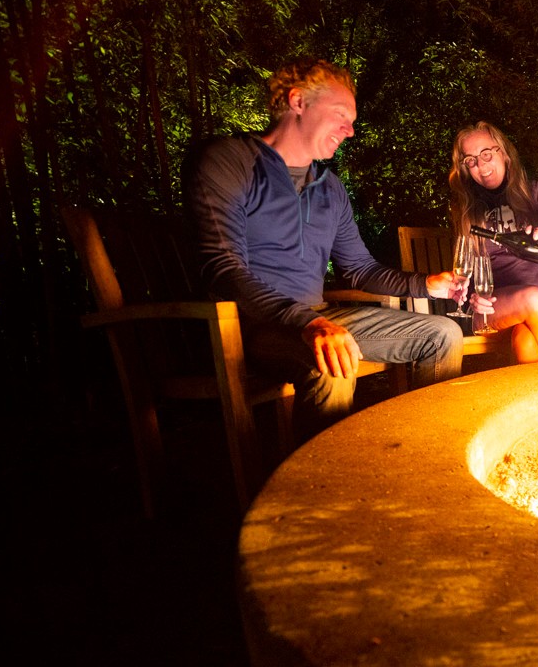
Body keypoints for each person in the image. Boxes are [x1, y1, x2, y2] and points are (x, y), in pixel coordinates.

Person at [186, 56, 468, 433]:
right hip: (249, 325)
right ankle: (319, 488)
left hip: (318, 317)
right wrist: (308, 321)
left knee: (442, 334)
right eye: (341, 115)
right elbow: (223, 268)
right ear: (298, 101)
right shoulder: (230, 162)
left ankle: (430, 450)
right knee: (332, 363)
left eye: (352, 121)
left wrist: (425, 284)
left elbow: (359, 268)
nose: (349, 130)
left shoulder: (330, 187)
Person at [448, 121, 538, 362]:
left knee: (525, 340)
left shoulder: (534, 193)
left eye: (486, 154)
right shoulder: (466, 210)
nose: (481, 165)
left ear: (504, 153)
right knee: (534, 299)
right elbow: (461, 274)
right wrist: (471, 298)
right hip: (490, 310)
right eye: (471, 160)